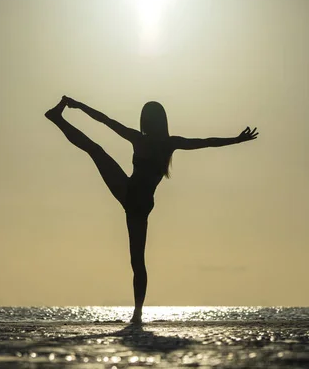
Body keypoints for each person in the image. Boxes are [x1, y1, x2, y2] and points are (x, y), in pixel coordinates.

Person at [45, 96, 258, 323]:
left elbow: (205, 141)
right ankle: (137, 313)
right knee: (137, 261)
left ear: (146, 121)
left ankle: (137, 314)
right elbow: (106, 120)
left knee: (137, 260)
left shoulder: (149, 140)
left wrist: (236, 140)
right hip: (135, 197)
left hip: (133, 198)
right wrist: (79, 105)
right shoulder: (164, 142)